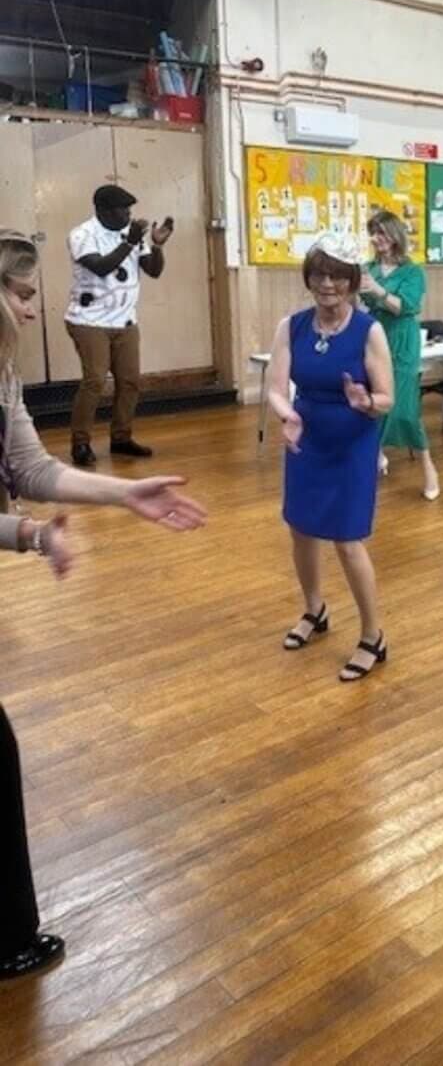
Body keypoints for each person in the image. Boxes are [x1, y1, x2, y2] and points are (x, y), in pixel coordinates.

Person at [0, 227, 205, 981]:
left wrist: (126, 495)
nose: (32, 310)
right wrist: (25, 534)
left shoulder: (3, 376)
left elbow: (30, 467)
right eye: (21, 294)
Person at [269, 233, 395, 680]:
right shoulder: (292, 326)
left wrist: (366, 403)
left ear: (353, 282)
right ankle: (314, 610)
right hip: (306, 439)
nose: (328, 284)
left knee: (346, 540)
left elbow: (387, 399)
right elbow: (276, 388)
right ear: (309, 278)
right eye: (320, 274)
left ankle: (372, 636)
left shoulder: (369, 330)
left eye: (339, 276)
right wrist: (287, 416)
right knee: (301, 530)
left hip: (351, 443)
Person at [65, 183, 174, 468]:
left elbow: (153, 271)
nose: (128, 214)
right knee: (95, 381)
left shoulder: (133, 234)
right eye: (122, 209)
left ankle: (121, 438)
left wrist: (158, 245)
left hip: (125, 321)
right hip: (89, 321)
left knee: (130, 382)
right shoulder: (82, 234)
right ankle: (80, 443)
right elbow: (100, 267)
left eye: (129, 209)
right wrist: (129, 242)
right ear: (102, 210)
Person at [360, 210, 440, 501]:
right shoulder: (367, 267)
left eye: (381, 232)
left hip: (402, 341)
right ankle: (374, 456)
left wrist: (379, 291)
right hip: (373, 337)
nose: (376, 238)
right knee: (372, 403)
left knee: (405, 411)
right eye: (373, 232)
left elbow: (405, 306)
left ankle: (428, 467)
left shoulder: (412, 271)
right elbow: (363, 301)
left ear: (395, 236)